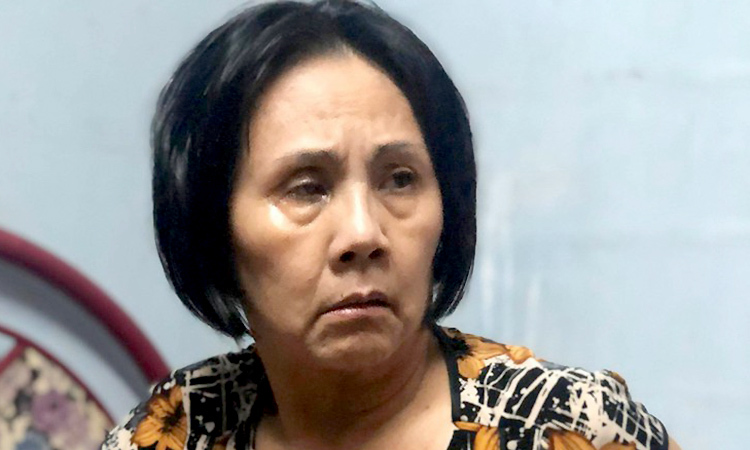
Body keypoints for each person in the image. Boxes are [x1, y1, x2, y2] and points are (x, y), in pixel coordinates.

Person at [103, 1, 679, 449]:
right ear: (212, 227)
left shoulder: (564, 425)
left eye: (400, 180)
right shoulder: (178, 429)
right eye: (307, 188)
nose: (363, 234)